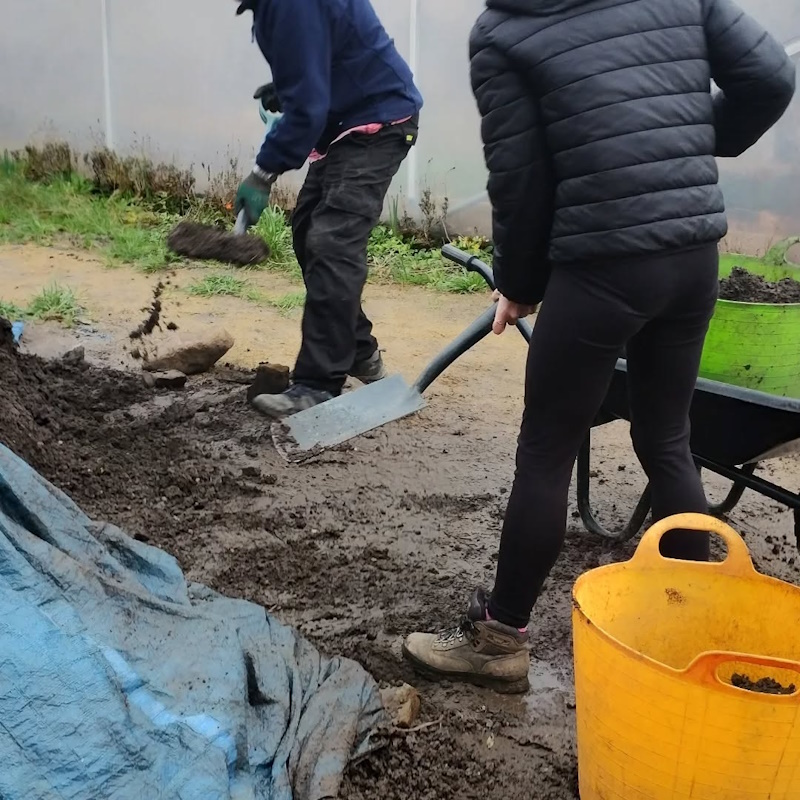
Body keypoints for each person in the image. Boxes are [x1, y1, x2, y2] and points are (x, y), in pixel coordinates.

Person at [402, 0, 796, 693]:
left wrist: (519, 283)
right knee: (667, 439)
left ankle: (499, 641)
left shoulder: (504, 29)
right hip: (693, 253)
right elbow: (769, 78)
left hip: (603, 266)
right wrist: (680, 146)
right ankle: (705, 632)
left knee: (547, 447)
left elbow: (520, 180)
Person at [233, 0, 422, 418]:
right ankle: (357, 349)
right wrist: (292, 83)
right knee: (308, 231)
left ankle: (318, 385)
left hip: (378, 121)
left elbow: (308, 109)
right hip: (345, 120)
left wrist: (262, 173)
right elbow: (323, 47)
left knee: (333, 241)